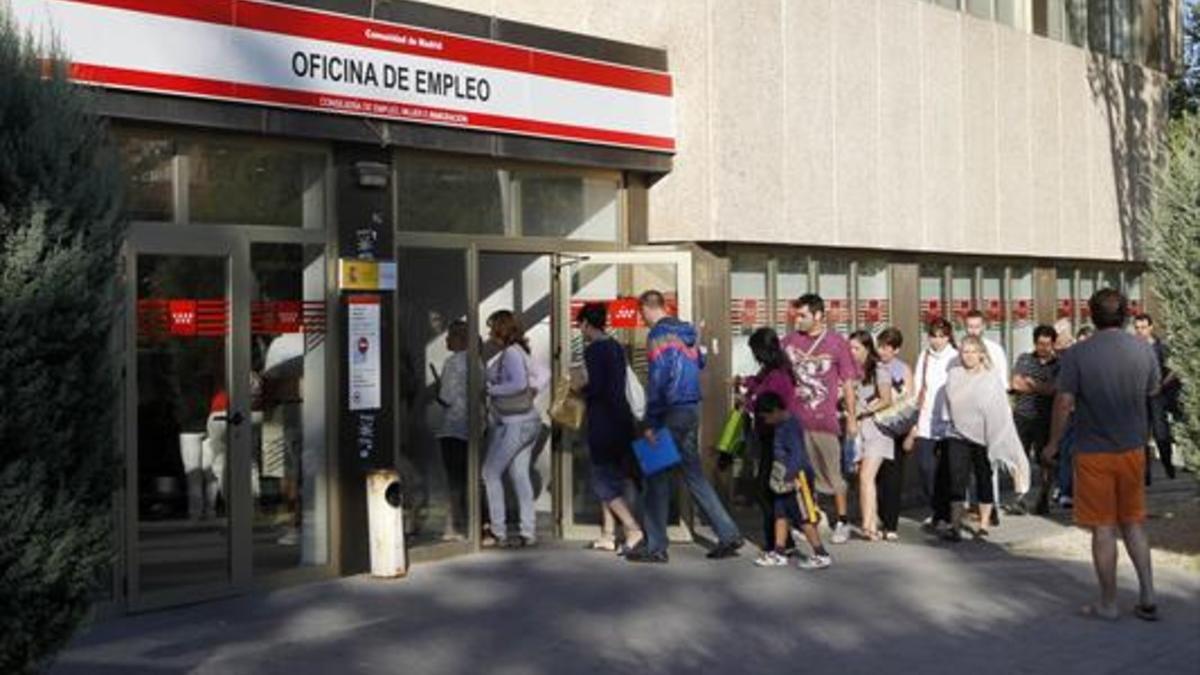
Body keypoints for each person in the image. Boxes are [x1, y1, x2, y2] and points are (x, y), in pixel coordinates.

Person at [1043, 289, 1160, 622]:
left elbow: (1064, 402)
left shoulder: (1078, 354)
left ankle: (1108, 602)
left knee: (1104, 528)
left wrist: (1052, 443)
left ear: (1090, 314)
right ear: (1125, 315)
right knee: (1134, 523)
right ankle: (1148, 593)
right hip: (1133, 448)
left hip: (1094, 450)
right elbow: (1152, 390)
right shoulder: (1143, 350)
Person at [627, 290, 743, 563]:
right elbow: (700, 361)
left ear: (647, 308)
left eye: (641, 312)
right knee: (693, 475)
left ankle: (655, 546)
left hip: (669, 410)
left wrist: (651, 420)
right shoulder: (688, 332)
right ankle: (728, 533)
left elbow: (659, 378)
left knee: (655, 476)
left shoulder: (657, 336)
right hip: (691, 409)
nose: (641, 319)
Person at [782, 293, 859, 545]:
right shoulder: (789, 341)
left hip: (824, 421)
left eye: (803, 315)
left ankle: (843, 520)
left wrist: (852, 417)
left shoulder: (837, 343)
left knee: (833, 474)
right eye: (797, 314)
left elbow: (848, 383)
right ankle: (810, 519)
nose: (799, 319)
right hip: (796, 420)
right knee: (802, 475)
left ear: (818, 315)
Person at [573, 303, 645, 555]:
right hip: (621, 418)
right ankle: (608, 533)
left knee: (602, 480)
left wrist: (578, 389)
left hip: (604, 421)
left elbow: (597, 388)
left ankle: (632, 527)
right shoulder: (615, 346)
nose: (579, 329)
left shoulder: (594, 350)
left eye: (579, 324)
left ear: (585, 324)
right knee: (613, 478)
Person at [942, 336, 1025, 541]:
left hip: (984, 435)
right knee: (956, 479)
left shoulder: (991, 377)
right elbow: (949, 404)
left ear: (981, 354)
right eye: (964, 351)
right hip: (957, 433)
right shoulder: (953, 374)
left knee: (983, 477)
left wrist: (995, 437)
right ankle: (955, 524)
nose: (968, 356)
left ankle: (984, 524)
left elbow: (998, 410)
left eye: (972, 351)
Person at [483, 310, 548, 548]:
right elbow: (544, 374)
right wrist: (533, 391)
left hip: (515, 423)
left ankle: (498, 531)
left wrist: (491, 390)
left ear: (501, 329)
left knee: (490, 473)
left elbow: (518, 383)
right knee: (519, 475)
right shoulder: (520, 351)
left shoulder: (510, 353)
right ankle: (527, 531)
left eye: (492, 328)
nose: (489, 333)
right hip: (529, 421)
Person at [751, 392, 832, 570]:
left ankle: (821, 553)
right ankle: (779, 552)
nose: (765, 422)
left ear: (774, 411)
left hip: (796, 478)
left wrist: (790, 475)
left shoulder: (789, 427)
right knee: (781, 513)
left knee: (803, 517)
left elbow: (797, 454)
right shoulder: (783, 424)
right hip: (784, 477)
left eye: (765, 417)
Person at [736, 327, 799, 554]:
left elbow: (768, 405)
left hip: (777, 438)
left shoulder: (777, 376)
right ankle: (781, 540)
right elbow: (757, 382)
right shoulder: (772, 371)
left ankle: (779, 541)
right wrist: (745, 383)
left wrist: (747, 403)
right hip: (769, 437)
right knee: (770, 489)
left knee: (768, 490)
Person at [903, 318, 958, 530]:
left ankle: (943, 514)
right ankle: (936, 508)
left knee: (945, 470)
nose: (937, 340)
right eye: (933, 335)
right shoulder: (924, 356)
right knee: (926, 467)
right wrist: (914, 421)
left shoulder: (955, 357)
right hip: (926, 418)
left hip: (948, 420)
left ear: (948, 337)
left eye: (941, 336)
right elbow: (918, 388)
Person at [848, 330, 895, 542]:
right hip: (858, 431)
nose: (852, 352)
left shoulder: (879, 369)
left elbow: (886, 399)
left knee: (867, 477)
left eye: (856, 348)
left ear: (867, 348)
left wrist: (862, 410)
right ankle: (870, 520)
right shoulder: (850, 371)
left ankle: (870, 526)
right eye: (850, 347)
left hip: (877, 429)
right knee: (863, 478)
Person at [1009, 324, 1060, 515]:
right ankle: (1019, 497)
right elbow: (1015, 383)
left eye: (1047, 344)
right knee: (1018, 457)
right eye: (1040, 344)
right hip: (1023, 415)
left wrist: (1031, 383)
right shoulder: (1025, 359)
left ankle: (1043, 497)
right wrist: (1041, 386)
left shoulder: (1059, 364)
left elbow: (1054, 389)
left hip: (1045, 417)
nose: (1043, 348)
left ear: (1053, 344)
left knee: (1045, 459)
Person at [873, 328, 912, 541]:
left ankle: (891, 524)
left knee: (894, 478)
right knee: (877, 476)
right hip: (876, 427)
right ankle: (878, 518)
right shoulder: (873, 367)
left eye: (888, 348)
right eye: (880, 346)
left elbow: (911, 401)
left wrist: (911, 433)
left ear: (896, 349)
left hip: (897, 427)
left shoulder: (903, 369)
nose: (883, 351)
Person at [434, 320, 470, 541]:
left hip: (454, 427)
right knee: (468, 475)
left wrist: (438, 391)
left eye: (450, 336)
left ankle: (452, 525)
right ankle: (472, 523)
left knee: (453, 478)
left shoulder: (452, 362)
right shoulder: (477, 362)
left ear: (460, 339)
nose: (446, 340)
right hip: (472, 427)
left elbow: (446, 397)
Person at [1133, 313, 1179, 482]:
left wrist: (1161, 385)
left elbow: (1174, 369)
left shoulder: (1160, 347)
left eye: (1143, 327)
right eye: (1137, 328)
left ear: (1151, 328)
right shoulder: (1133, 347)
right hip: (1139, 396)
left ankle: (1167, 464)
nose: (1140, 331)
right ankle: (1145, 474)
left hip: (1158, 396)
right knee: (1141, 435)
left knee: (1161, 433)